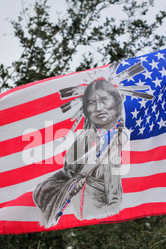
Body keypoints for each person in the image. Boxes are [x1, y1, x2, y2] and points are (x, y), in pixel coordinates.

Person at [33, 79, 130, 228]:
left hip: (103, 228)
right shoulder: (80, 144)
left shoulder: (122, 140)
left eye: (104, 99)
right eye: (91, 102)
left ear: (116, 103)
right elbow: (60, 179)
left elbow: (115, 203)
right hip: (72, 227)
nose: (98, 107)